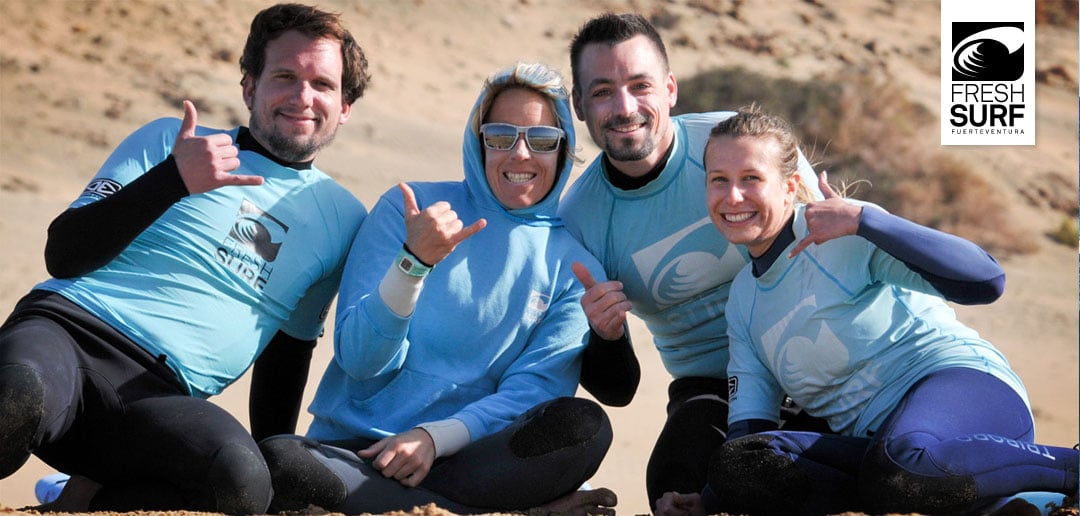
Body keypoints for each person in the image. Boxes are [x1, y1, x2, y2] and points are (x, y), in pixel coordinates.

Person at [0, 4, 370, 513]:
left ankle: (85, 495)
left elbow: (287, 350)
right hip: (67, 334)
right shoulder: (170, 141)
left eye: (323, 84)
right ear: (249, 86)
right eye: (284, 76)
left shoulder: (344, 219)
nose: (302, 97)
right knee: (14, 396)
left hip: (160, 397)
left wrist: (273, 459)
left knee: (242, 483)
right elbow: (63, 254)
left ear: (345, 105)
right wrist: (173, 180)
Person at [656, 108, 1079, 516]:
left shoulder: (843, 232)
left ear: (789, 185)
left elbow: (986, 281)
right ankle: (959, 495)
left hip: (969, 391)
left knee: (901, 463)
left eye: (751, 178)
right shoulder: (744, 302)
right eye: (719, 180)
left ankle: (1069, 469)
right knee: (740, 464)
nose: (733, 196)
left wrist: (867, 221)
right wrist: (709, 500)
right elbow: (750, 431)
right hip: (884, 453)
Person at [257, 62, 618, 515]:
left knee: (583, 426)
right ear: (477, 140)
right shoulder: (410, 208)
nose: (521, 155)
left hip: (467, 458)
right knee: (281, 463)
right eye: (501, 136)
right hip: (361, 451)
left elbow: (532, 392)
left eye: (543, 140)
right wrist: (414, 263)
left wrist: (435, 437)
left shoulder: (575, 264)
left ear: (564, 149)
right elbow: (359, 360)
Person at [560, 12, 827, 509]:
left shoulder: (735, 146)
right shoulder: (578, 219)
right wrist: (607, 334)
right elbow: (616, 391)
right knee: (674, 486)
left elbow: (833, 261)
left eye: (640, 85)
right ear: (578, 104)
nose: (624, 107)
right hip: (711, 389)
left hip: (816, 359)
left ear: (670, 89)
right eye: (601, 91)